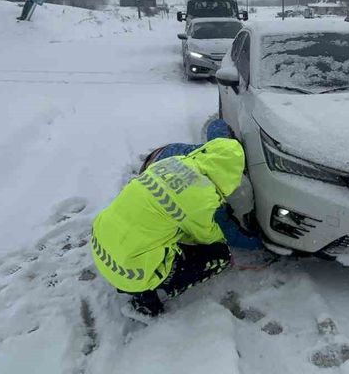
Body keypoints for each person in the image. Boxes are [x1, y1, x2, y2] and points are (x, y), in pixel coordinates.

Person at [91, 120, 253, 317]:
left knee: (163, 225)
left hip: (100, 243)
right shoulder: (203, 196)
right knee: (219, 255)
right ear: (230, 175)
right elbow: (208, 237)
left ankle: (138, 276)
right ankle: (146, 296)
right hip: (129, 272)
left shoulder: (171, 162)